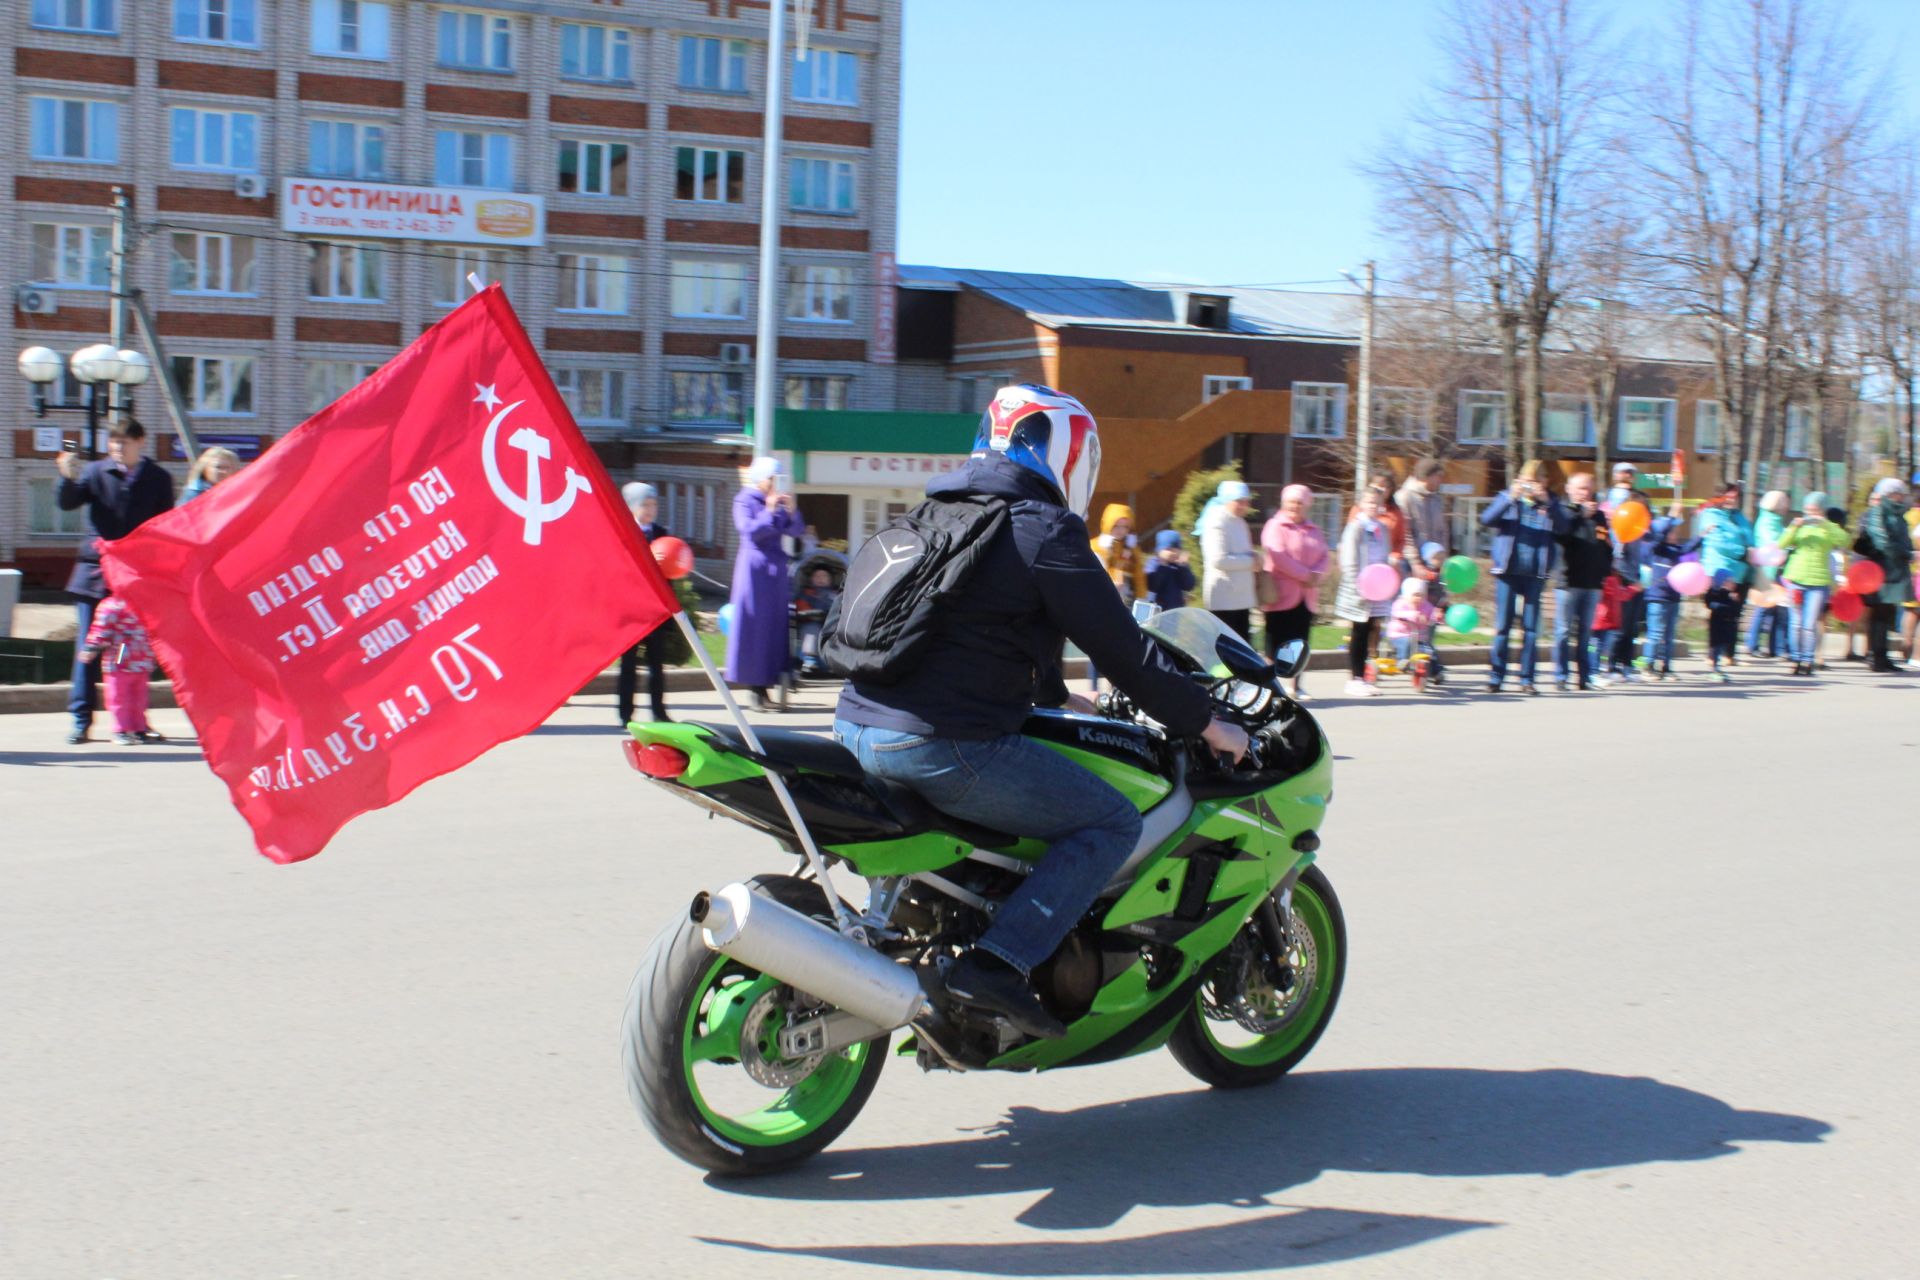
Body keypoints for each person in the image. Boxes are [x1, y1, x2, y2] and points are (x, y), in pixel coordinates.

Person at [832, 383, 1248, 1039]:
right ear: (1060, 453)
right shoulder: (1041, 526)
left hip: (855, 725)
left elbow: (980, 624)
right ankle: (998, 963)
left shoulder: (937, 513)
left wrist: (1056, 697)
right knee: (1109, 822)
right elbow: (1123, 649)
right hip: (938, 745)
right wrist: (1205, 720)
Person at [55, 421, 174, 745]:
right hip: (95, 577)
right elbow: (67, 503)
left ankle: (132, 722)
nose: (118, 448)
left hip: (135, 579)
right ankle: (81, 720)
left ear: (140, 442)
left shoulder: (158, 478)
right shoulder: (96, 472)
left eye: (125, 441)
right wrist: (66, 476)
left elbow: (164, 526)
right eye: (114, 442)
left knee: (128, 653)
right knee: (89, 648)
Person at [1480, 461, 1563, 694]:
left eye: (1538, 480)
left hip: (1535, 573)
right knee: (1503, 627)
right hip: (1508, 571)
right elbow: (1486, 519)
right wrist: (1510, 497)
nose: (1533, 485)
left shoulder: (1551, 503)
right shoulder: (1508, 498)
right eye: (1528, 480)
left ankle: (1527, 679)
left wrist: (1548, 502)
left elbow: (1565, 527)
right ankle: (1496, 677)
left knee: (1530, 629)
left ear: (1545, 482)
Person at [727, 456, 803, 711]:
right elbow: (749, 530)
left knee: (774, 627)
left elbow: (795, 531)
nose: (774, 484)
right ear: (761, 478)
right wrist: (769, 510)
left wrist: (791, 511)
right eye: (772, 478)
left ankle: (767, 687)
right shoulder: (744, 499)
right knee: (754, 627)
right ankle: (754, 690)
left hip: (775, 570)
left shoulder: (778, 501)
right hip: (754, 569)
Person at [1260, 483, 1330, 700]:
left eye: (1300, 502)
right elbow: (1278, 556)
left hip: (1306, 597)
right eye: (1291, 502)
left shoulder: (1313, 529)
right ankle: (1267, 686)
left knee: (1300, 644)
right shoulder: (1275, 526)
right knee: (1274, 644)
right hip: (1280, 595)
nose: (1295, 506)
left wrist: (1318, 574)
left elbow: (1325, 556)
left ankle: (1296, 685)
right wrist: (1305, 575)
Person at [618, 482, 674, 725]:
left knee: (656, 665)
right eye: (645, 505)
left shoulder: (662, 533)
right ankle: (625, 713)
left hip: (656, 610)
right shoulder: (623, 532)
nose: (651, 510)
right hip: (631, 609)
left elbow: (671, 567)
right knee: (628, 664)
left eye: (654, 504)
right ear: (632, 506)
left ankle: (659, 711)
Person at [1775, 492, 1849, 678]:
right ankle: (1795, 659)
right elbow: (1781, 544)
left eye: (1814, 510)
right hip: (1796, 579)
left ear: (1822, 510)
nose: (1810, 514)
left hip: (1818, 581)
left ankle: (1807, 660)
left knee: (1809, 624)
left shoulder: (1828, 527)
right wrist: (1793, 527)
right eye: (1808, 510)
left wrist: (1825, 524)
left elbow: (1844, 540)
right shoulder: (1799, 526)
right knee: (1795, 623)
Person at [1552, 471, 1610, 692]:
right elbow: (1562, 536)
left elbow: (1604, 545)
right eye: (1580, 488)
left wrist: (1604, 573)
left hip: (1592, 583)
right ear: (1569, 489)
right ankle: (1561, 676)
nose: (1585, 493)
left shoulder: (1600, 516)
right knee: (1563, 631)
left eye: (1588, 488)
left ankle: (1584, 677)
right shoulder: (1564, 512)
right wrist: (1580, 516)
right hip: (1568, 582)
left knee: (1585, 633)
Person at [1334, 486, 1394, 698]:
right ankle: (1354, 678)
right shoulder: (1356, 527)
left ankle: (1363, 676)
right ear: (1361, 504)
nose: (1373, 507)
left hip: (1377, 588)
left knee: (1371, 631)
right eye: (1369, 502)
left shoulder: (1382, 528)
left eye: (1377, 503)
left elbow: (1384, 557)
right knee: (1359, 631)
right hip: (1359, 589)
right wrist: (1358, 587)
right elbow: (1349, 560)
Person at [79, 593, 160, 745]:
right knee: (119, 699)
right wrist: (92, 647)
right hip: (121, 659)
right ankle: (120, 730)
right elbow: (101, 629)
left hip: (142, 659)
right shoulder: (112, 605)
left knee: (140, 699)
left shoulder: (148, 602)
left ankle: (139, 729)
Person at [1859, 477, 1915, 673]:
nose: (1902, 496)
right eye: (1899, 492)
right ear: (1890, 493)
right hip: (1881, 571)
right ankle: (1877, 657)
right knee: (1880, 614)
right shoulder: (1879, 511)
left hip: (1895, 571)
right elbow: (1882, 541)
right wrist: (1907, 553)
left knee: (1887, 613)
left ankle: (1882, 656)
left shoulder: (1897, 513)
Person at [1694, 482, 1753, 662]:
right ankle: (1713, 654)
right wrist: (1743, 551)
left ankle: (1729, 653)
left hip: (1741, 571)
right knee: (1719, 612)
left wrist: (1752, 549)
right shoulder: (1711, 515)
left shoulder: (1738, 517)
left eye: (1735, 497)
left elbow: (1750, 536)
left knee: (1734, 614)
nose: (1732, 500)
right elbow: (1718, 542)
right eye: (1729, 496)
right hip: (1719, 569)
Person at [1642, 511, 1701, 680]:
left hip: (1673, 597)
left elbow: (1688, 547)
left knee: (1669, 635)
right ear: (1666, 534)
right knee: (1655, 633)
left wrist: (1701, 536)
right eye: (1673, 532)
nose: (1676, 535)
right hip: (1657, 598)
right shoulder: (1657, 549)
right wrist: (1670, 518)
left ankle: (1666, 667)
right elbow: (1658, 535)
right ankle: (1648, 666)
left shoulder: (1675, 551)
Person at [1200, 479, 1259, 641]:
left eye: (1246, 501)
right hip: (1224, 598)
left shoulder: (1240, 522)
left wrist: (1255, 557)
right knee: (1227, 649)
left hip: (1241, 598)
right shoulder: (1216, 521)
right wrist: (1250, 561)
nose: (1243, 505)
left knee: (1243, 647)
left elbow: (1242, 552)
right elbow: (1218, 559)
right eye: (1239, 501)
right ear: (1227, 500)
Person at [1610, 491, 1655, 680]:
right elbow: (1618, 559)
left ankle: (1626, 664)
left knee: (1632, 627)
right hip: (1624, 582)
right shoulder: (1621, 528)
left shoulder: (1641, 531)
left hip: (1638, 581)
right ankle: (1612, 665)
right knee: (1620, 626)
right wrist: (1630, 580)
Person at [1746, 490, 1792, 658]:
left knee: (1778, 609)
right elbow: (1775, 545)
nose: (1786, 506)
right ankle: (1752, 644)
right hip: (1767, 571)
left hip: (1775, 570)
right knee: (1764, 608)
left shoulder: (1774, 520)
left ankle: (1776, 647)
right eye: (1784, 502)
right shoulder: (1767, 521)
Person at [1395, 458, 1450, 570]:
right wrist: (1415, 563)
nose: (1440, 480)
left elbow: (1442, 531)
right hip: (1412, 566)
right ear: (1426, 476)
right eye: (1438, 476)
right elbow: (1406, 534)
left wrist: (1442, 557)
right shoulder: (1404, 497)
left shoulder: (1436, 499)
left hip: (1435, 563)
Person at [1591, 568, 1637, 684]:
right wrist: (1633, 588)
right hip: (1601, 620)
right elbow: (1618, 594)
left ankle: (1599, 671)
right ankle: (1594, 672)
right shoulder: (1608, 579)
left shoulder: (1615, 579)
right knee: (1596, 647)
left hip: (1609, 621)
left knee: (1604, 648)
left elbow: (1622, 595)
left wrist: (1631, 589)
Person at [794, 567, 839, 677]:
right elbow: (800, 606)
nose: (821, 579)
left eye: (824, 576)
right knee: (811, 629)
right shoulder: (807, 593)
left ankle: (835, 661)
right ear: (811, 579)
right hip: (811, 621)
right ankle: (810, 660)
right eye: (817, 576)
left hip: (830, 622)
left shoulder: (835, 594)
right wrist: (810, 612)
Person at [1387, 577, 1439, 672]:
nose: (1418, 598)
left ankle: (1436, 670)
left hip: (1419, 637)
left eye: (1421, 595)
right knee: (1407, 643)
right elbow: (1396, 613)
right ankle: (1402, 660)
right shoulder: (1401, 604)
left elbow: (1432, 615)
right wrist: (1414, 615)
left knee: (1430, 651)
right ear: (1407, 594)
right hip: (1400, 635)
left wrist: (1435, 617)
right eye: (1415, 595)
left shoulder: (1426, 605)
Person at [1144, 530, 1195, 613]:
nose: (1174, 553)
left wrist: (1184, 568)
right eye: (1169, 549)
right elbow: (1152, 585)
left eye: (1176, 549)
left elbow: (1189, 585)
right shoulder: (1154, 563)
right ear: (1159, 551)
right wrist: (1163, 566)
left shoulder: (1179, 567)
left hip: (1174, 611)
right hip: (1155, 609)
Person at [1704, 570, 1741, 682]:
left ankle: (1718, 668)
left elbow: (1736, 611)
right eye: (1729, 581)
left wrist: (1735, 602)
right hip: (1717, 624)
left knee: (1722, 647)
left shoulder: (1731, 595)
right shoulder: (1715, 592)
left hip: (1728, 625)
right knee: (1716, 647)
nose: (1733, 583)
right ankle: (1715, 669)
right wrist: (1727, 604)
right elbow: (1711, 604)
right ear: (1722, 581)